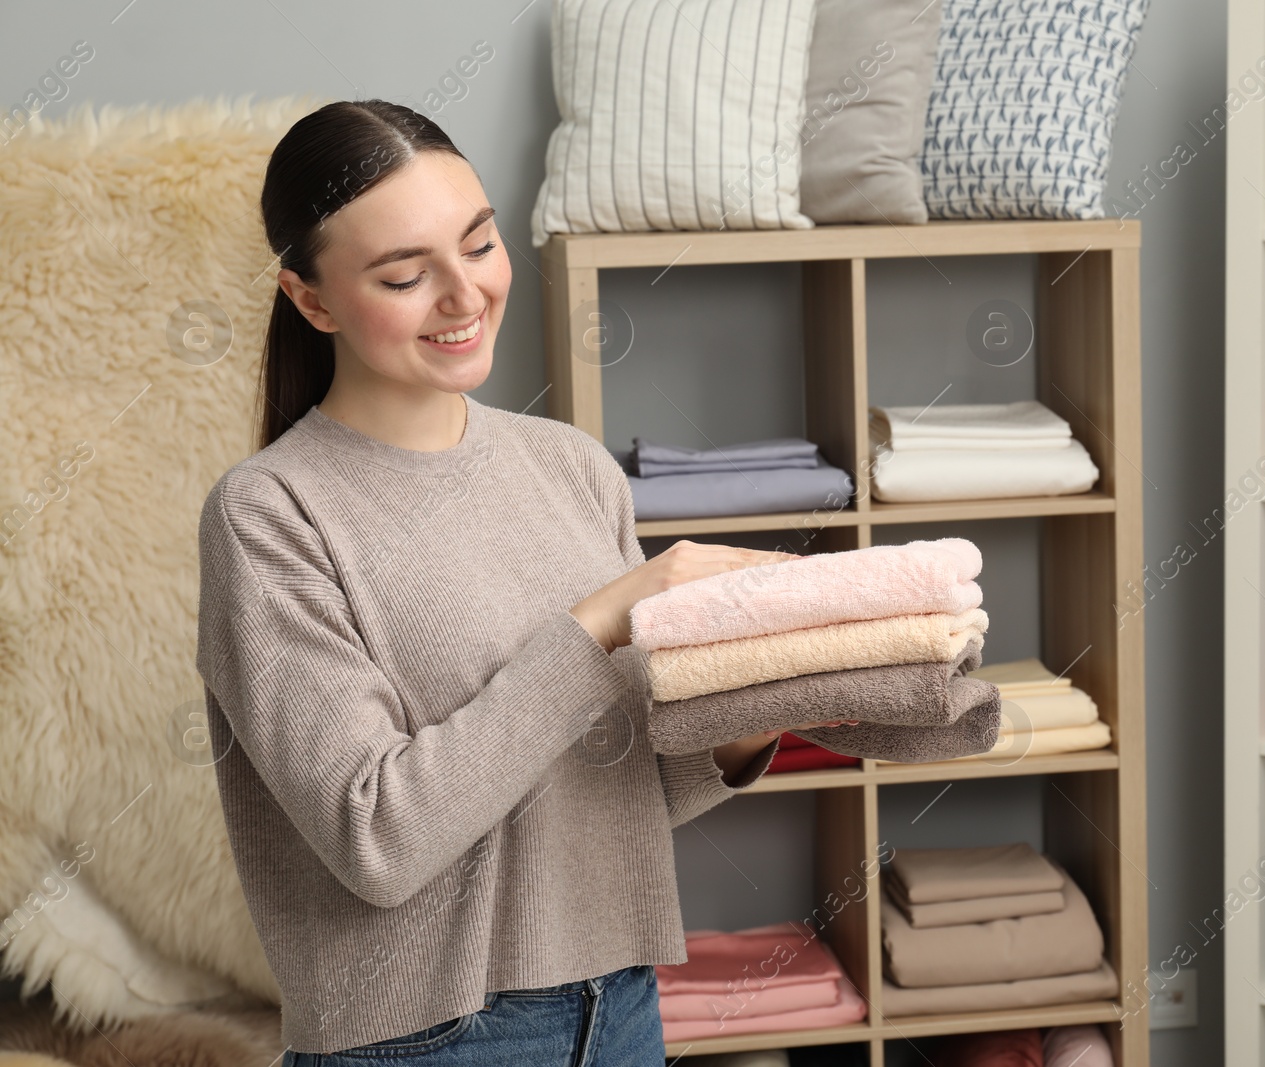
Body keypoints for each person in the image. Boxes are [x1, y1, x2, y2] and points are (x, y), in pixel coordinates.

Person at [194, 99, 855, 1066]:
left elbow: (610, 789)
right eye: (406, 275)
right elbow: (379, 838)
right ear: (313, 300)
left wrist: (751, 702)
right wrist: (601, 622)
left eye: (481, 244)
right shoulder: (269, 516)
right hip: (424, 1042)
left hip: (623, 1010)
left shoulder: (570, 467)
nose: (465, 295)